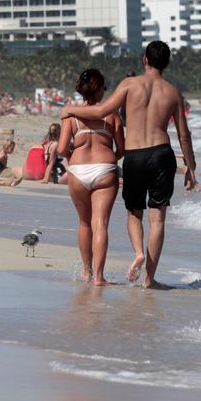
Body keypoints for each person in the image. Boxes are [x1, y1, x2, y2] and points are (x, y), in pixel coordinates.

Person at [63, 41, 197, 289]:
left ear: (144, 59)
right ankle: (149, 278)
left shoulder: (129, 85)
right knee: (158, 219)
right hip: (161, 153)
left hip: (135, 155)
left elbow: (101, 109)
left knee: (134, 212)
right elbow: (184, 135)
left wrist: (69, 110)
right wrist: (191, 168)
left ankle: (138, 252)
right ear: (167, 63)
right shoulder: (173, 93)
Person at [60, 69, 125, 286]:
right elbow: (121, 149)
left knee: (84, 222)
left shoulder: (71, 116)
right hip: (105, 168)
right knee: (101, 223)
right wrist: (110, 161)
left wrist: (73, 158)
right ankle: (99, 277)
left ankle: (86, 272)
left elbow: (61, 149)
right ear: (100, 90)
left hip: (78, 170)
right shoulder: (113, 115)